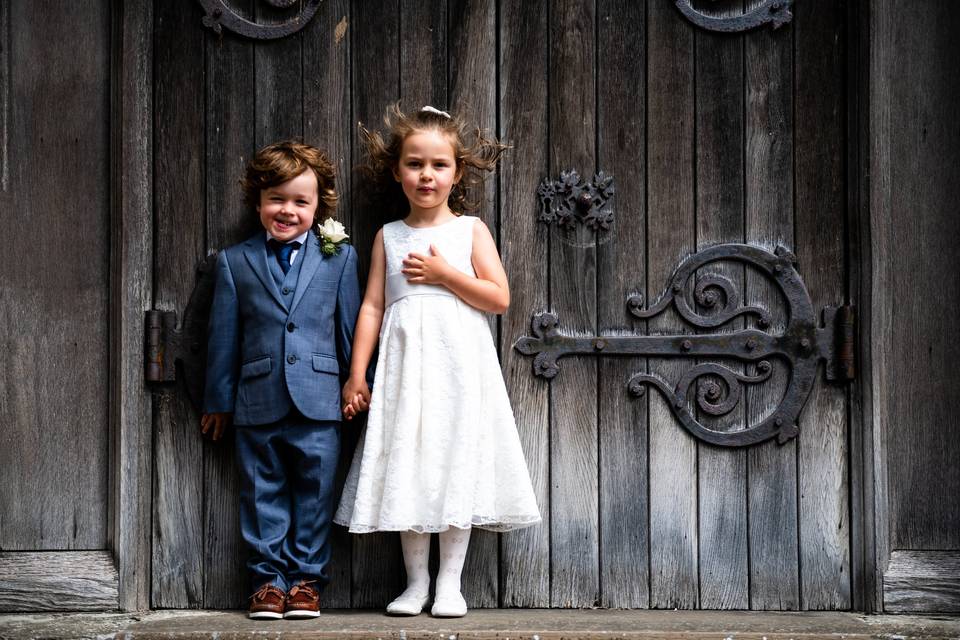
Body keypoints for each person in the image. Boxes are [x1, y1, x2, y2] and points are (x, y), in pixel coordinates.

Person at [334, 104, 541, 618]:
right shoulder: (389, 236)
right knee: (411, 462)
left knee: (455, 464)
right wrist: (358, 373)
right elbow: (372, 306)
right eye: (415, 164)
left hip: (458, 370)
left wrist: (446, 274)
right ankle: (415, 583)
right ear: (397, 171)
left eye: (438, 165)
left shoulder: (470, 231)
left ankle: (450, 584)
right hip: (406, 370)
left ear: (457, 172)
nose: (426, 175)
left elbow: (498, 297)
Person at [201, 141, 360, 620]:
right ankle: (268, 581)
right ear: (258, 201)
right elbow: (223, 338)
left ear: (318, 206)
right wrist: (218, 400)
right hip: (257, 399)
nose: (286, 210)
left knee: (315, 492)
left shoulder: (340, 258)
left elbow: (349, 327)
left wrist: (360, 384)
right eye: (276, 199)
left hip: (321, 400)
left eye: (300, 201)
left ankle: (306, 580)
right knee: (260, 490)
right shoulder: (235, 261)